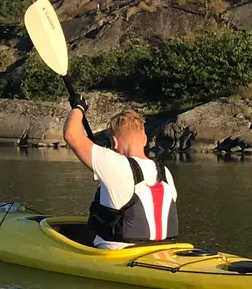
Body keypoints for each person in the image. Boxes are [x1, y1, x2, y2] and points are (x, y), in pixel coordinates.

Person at [62, 102, 178, 248]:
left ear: (115, 142)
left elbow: (71, 134)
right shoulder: (164, 172)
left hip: (118, 255)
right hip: (163, 250)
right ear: (144, 140)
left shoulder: (114, 163)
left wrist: (78, 108)